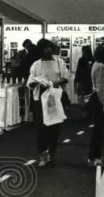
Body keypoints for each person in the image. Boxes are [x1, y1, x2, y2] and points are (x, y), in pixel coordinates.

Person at [26, 38, 71, 167]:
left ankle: (52, 150)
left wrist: (54, 83)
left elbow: (66, 77)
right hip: (40, 98)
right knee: (41, 127)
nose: (48, 50)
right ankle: (42, 154)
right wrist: (37, 82)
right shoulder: (36, 64)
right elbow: (30, 81)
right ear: (40, 50)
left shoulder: (59, 62)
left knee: (54, 126)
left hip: (54, 98)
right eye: (44, 48)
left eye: (49, 47)